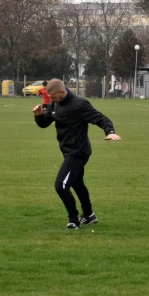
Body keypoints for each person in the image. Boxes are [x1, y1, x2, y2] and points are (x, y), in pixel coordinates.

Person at [33, 79, 121, 229]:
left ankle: (73, 220)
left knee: (61, 186)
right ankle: (89, 215)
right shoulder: (55, 103)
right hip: (67, 150)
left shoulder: (79, 104)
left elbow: (101, 118)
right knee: (77, 183)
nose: (50, 100)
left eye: (53, 97)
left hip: (78, 152)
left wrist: (110, 132)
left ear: (62, 92)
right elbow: (45, 122)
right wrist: (40, 115)